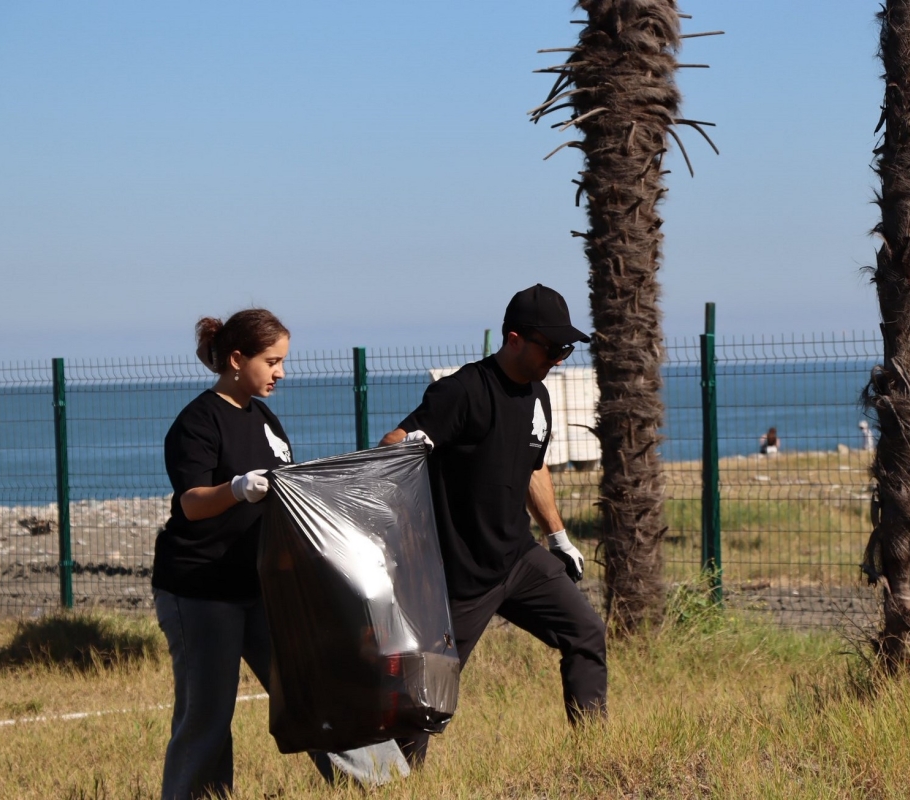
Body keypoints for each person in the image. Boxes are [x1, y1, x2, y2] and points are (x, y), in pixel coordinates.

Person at [152, 309, 407, 800]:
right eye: (272, 361)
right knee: (207, 714)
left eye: (282, 361)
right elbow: (191, 503)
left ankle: (384, 783)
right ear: (236, 359)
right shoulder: (197, 422)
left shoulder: (264, 418)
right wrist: (237, 488)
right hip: (201, 591)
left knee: (316, 683)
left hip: (264, 585)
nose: (281, 372)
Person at [379, 284, 608, 767]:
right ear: (514, 339)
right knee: (427, 688)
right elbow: (395, 441)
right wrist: (407, 446)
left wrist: (558, 537)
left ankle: (595, 754)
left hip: (518, 559)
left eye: (566, 350)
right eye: (552, 348)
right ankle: (396, 778)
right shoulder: (461, 391)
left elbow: (534, 468)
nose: (559, 359)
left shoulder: (539, 395)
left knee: (585, 631)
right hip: (460, 575)